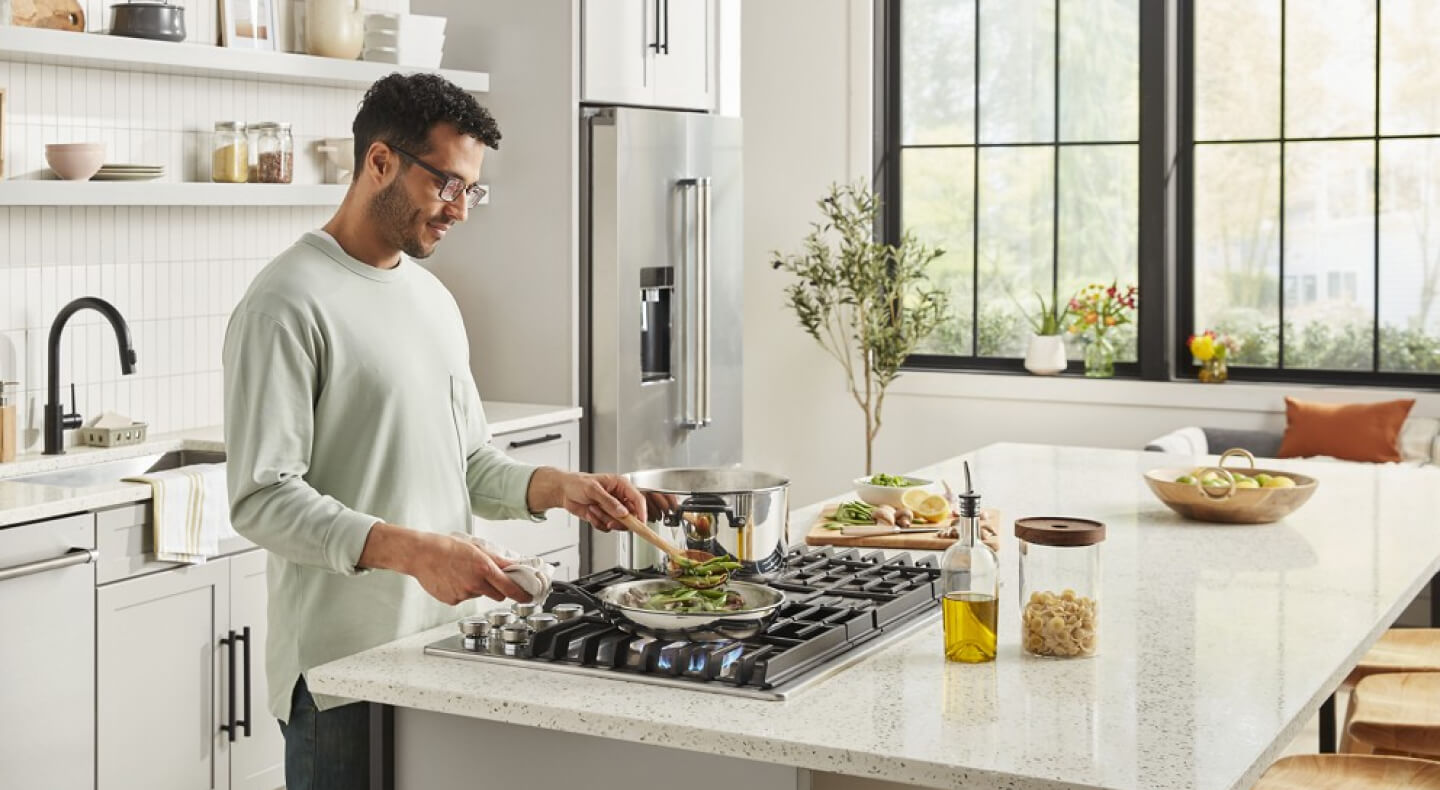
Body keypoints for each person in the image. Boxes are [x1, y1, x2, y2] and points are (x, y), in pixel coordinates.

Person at [222, 72, 645, 790]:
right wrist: (417, 551)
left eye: (471, 190)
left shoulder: (433, 300)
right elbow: (263, 499)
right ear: (380, 162)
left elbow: (470, 462)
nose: (461, 210)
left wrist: (557, 487)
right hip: (342, 676)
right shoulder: (285, 303)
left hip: (447, 653)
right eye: (447, 184)